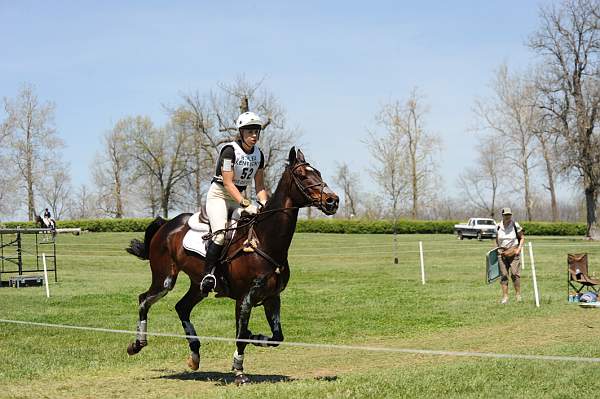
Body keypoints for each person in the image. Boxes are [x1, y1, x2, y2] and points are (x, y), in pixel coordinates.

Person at [200, 111, 269, 294]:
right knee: (220, 235)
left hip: (238, 198)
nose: (254, 136)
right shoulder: (229, 151)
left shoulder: (259, 155)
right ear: (241, 133)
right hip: (220, 197)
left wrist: (264, 204)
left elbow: (260, 186)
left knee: (249, 229)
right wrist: (246, 204)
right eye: (249, 132)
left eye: (256, 132)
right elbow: (229, 183)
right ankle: (208, 275)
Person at [495, 207, 525, 304]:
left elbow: (522, 238)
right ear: (502, 215)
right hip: (502, 253)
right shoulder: (498, 226)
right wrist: (497, 250)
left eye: (509, 215)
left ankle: (518, 295)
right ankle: (505, 297)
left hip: (513, 251)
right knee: (504, 275)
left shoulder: (515, 225)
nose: (508, 216)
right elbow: (496, 239)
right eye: (506, 215)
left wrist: (518, 250)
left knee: (514, 273)